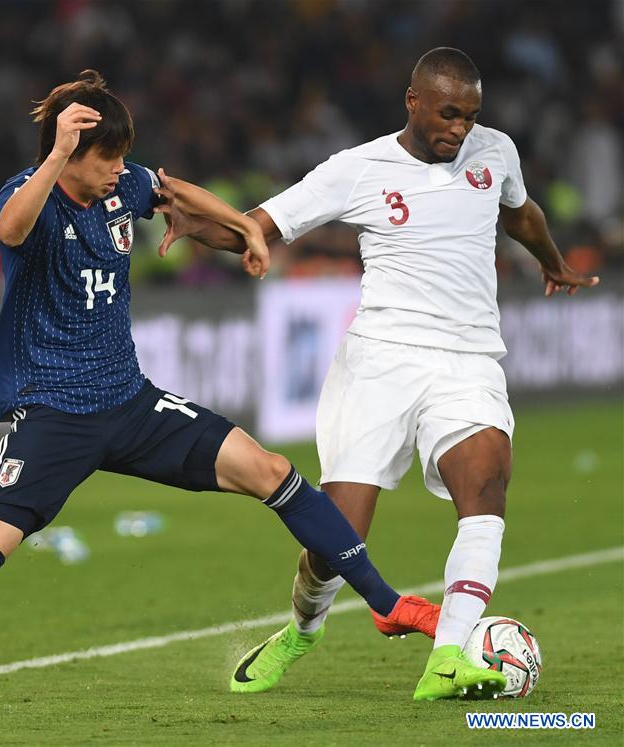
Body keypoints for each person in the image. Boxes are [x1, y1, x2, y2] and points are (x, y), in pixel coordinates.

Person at [0, 70, 440, 709]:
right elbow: (9, 230)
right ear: (69, 155)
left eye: (122, 155)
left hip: (132, 403)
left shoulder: (121, 191)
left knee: (272, 470)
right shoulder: (28, 197)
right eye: (107, 157)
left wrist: (246, 229)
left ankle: (387, 605)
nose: (122, 169)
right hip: (54, 418)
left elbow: (174, 190)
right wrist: (56, 153)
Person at [155, 48, 600, 701]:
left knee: (487, 482)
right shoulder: (356, 170)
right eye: (448, 113)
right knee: (338, 537)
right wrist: (201, 228)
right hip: (380, 361)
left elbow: (520, 211)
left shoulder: (494, 151)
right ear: (413, 101)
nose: (460, 130)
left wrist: (552, 261)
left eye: (471, 116)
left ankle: (448, 655)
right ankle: (304, 629)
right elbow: (259, 228)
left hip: (469, 358)